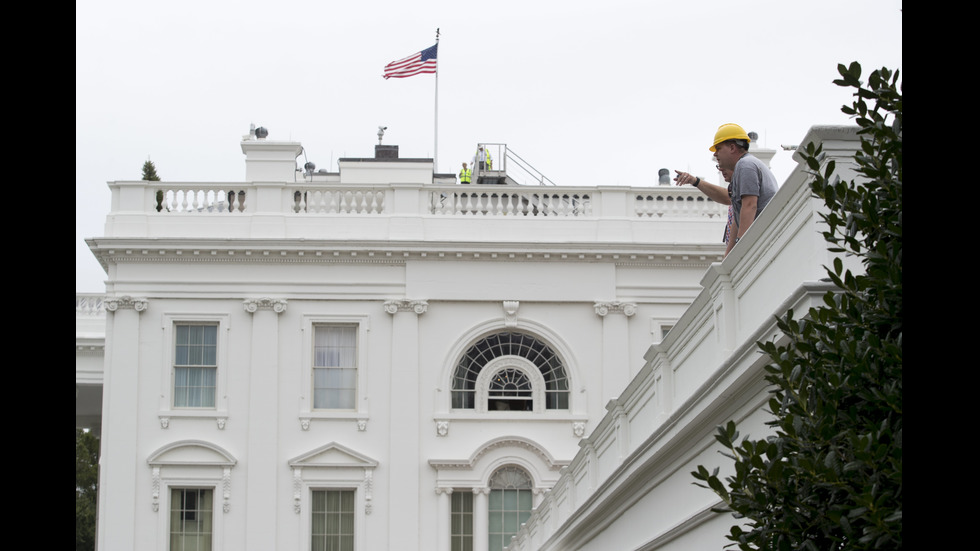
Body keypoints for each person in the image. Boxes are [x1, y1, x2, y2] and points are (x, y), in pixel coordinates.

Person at [674, 123, 778, 256]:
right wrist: (729, 256)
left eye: (718, 148)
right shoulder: (744, 166)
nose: (715, 154)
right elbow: (736, 209)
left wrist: (741, 249)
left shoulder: (746, 165)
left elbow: (750, 206)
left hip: (763, 241)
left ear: (732, 147)